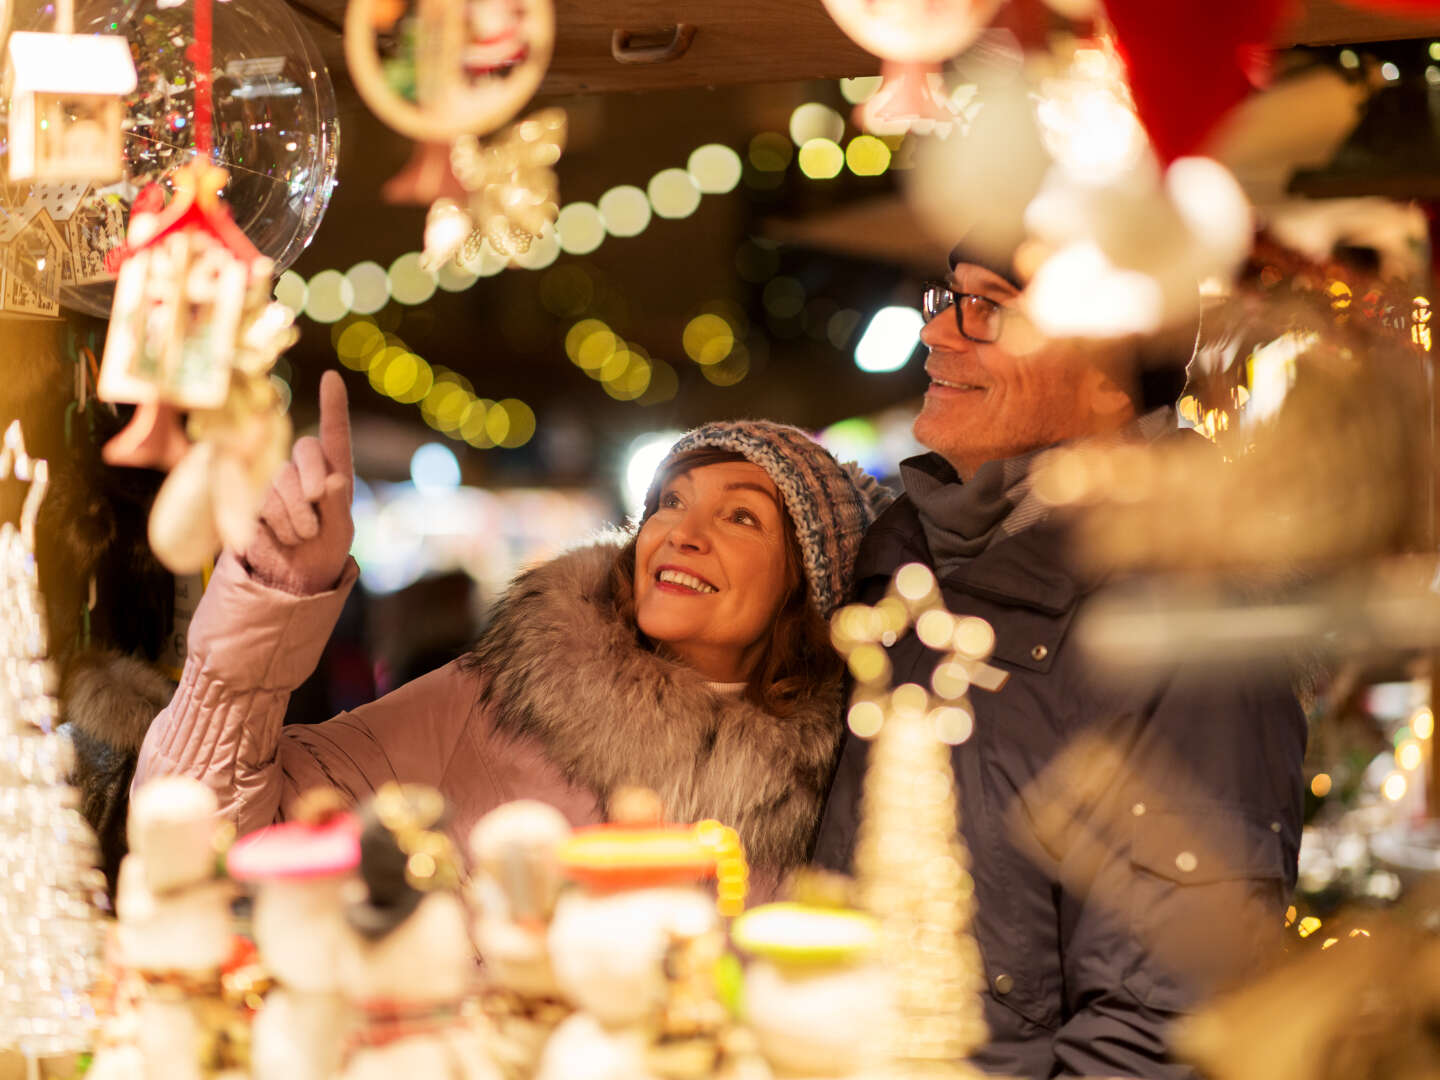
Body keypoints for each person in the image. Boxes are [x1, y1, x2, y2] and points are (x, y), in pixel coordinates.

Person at [811, 250, 1307, 1079]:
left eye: (989, 308)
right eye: (947, 299)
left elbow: (1166, 1020)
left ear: (1113, 362)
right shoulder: (904, 557)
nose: (936, 332)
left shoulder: (1189, 602)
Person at [134, 372, 889, 897]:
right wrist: (272, 598)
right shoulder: (500, 699)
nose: (681, 533)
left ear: (808, 586)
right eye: (670, 501)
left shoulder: (839, 785)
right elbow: (203, 832)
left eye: (741, 516)